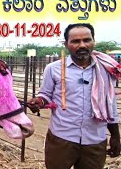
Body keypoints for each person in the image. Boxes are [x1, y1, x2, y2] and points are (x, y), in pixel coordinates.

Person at [28, 23, 120, 169]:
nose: (82, 45)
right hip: (61, 139)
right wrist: (39, 101)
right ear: (66, 44)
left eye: (87, 40)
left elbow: (110, 103)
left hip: (95, 141)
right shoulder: (53, 69)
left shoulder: (105, 70)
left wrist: (115, 136)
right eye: (75, 41)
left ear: (93, 41)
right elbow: (45, 94)